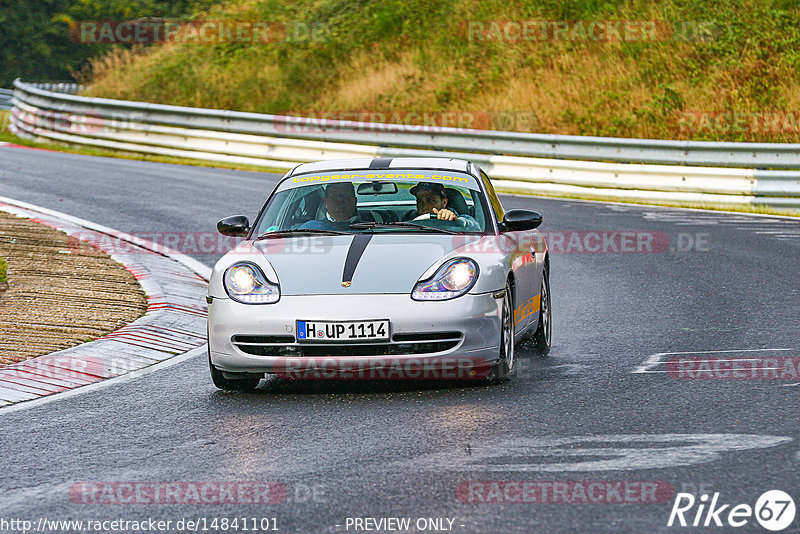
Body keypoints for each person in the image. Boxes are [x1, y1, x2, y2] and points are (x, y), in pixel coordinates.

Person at [409, 182, 480, 230]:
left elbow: (477, 228)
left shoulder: (460, 218)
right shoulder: (411, 216)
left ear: (444, 202)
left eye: (430, 200)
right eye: (419, 201)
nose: (424, 207)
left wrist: (456, 221)